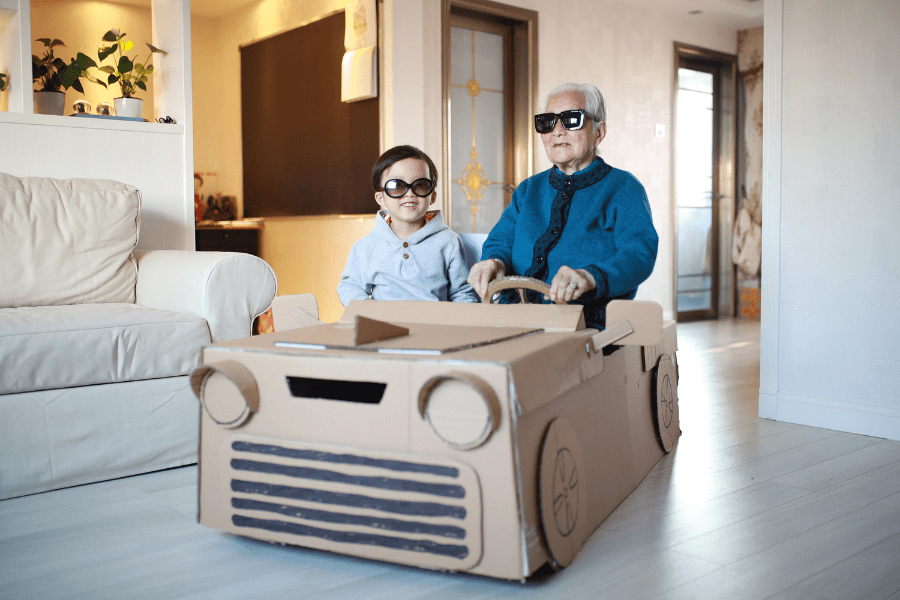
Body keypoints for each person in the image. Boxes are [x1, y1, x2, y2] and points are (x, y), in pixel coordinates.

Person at [467, 83, 658, 329]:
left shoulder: (623, 188)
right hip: (512, 319)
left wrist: (589, 277)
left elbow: (638, 254)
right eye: (547, 122)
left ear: (599, 132)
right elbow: (501, 241)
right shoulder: (528, 189)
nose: (557, 131)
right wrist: (493, 262)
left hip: (585, 325)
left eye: (571, 120)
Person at [338, 145, 479, 305]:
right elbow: (349, 286)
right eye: (397, 186)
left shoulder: (449, 242)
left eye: (420, 185)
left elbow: (462, 294)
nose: (410, 193)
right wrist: (369, 310)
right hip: (386, 328)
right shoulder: (366, 247)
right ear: (380, 198)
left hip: (434, 327)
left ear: (432, 196)